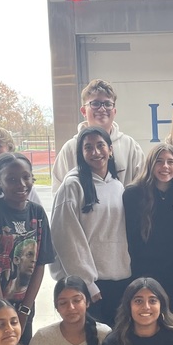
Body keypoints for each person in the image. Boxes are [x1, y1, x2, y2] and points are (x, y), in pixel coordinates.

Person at [0, 153, 53, 345]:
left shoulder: (37, 213)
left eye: (26, 177)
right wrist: (3, 314)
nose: (21, 184)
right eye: (12, 179)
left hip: (22, 306)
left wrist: (23, 311)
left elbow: (40, 264)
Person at [50, 126, 132, 326]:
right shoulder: (72, 186)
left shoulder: (117, 185)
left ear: (110, 149)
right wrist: (87, 283)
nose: (95, 152)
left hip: (120, 280)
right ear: (81, 153)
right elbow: (67, 239)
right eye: (88, 148)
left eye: (100, 145)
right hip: (92, 286)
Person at [123, 144, 173, 310]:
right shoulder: (133, 194)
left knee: (170, 317)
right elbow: (129, 238)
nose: (165, 166)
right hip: (142, 270)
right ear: (150, 164)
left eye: (170, 162)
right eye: (159, 161)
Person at [51, 78, 144, 192]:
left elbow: (142, 186)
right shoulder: (70, 149)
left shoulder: (130, 146)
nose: (102, 108)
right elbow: (59, 192)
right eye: (95, 103)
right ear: (83, 111)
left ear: (114, 111)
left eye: (108, 104)